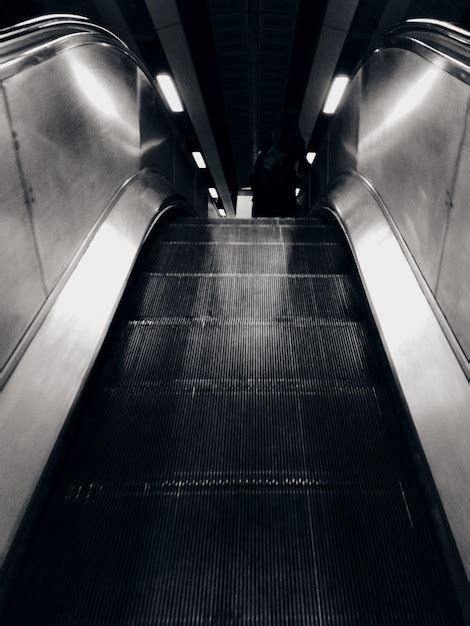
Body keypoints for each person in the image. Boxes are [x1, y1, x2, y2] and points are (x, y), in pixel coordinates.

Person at [251, 109, 306, 217]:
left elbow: (262, 173)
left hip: (268, 200)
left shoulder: (270, 150)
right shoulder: (296, 143)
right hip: (282, 197)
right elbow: (302, 170)